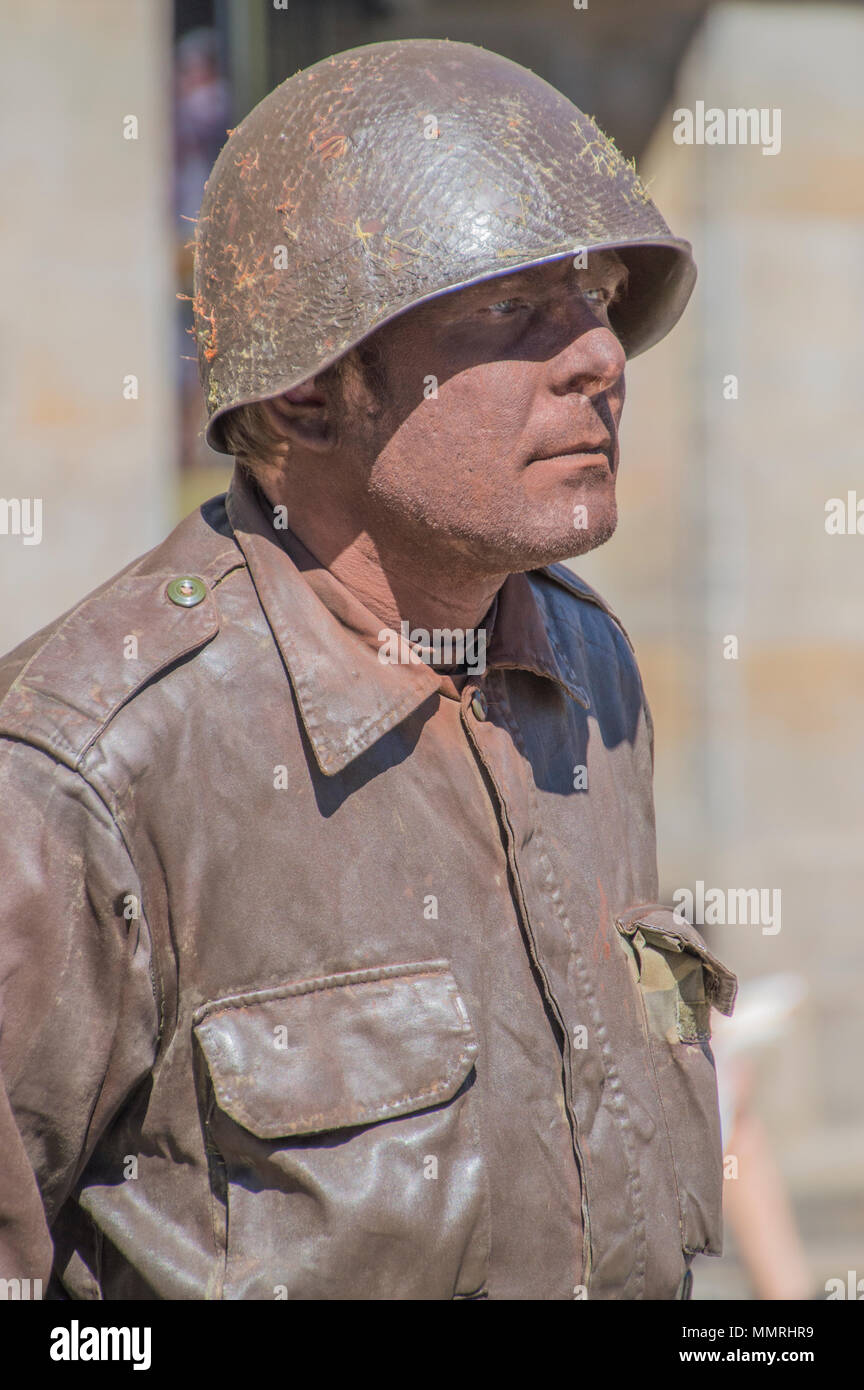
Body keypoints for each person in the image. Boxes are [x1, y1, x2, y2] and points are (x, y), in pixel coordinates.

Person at [0, 38, 736, 1301]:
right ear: (304, 398)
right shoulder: (92, 763)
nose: (600, 360)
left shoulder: (588, 669)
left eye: (601, 298)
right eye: (513, 309)